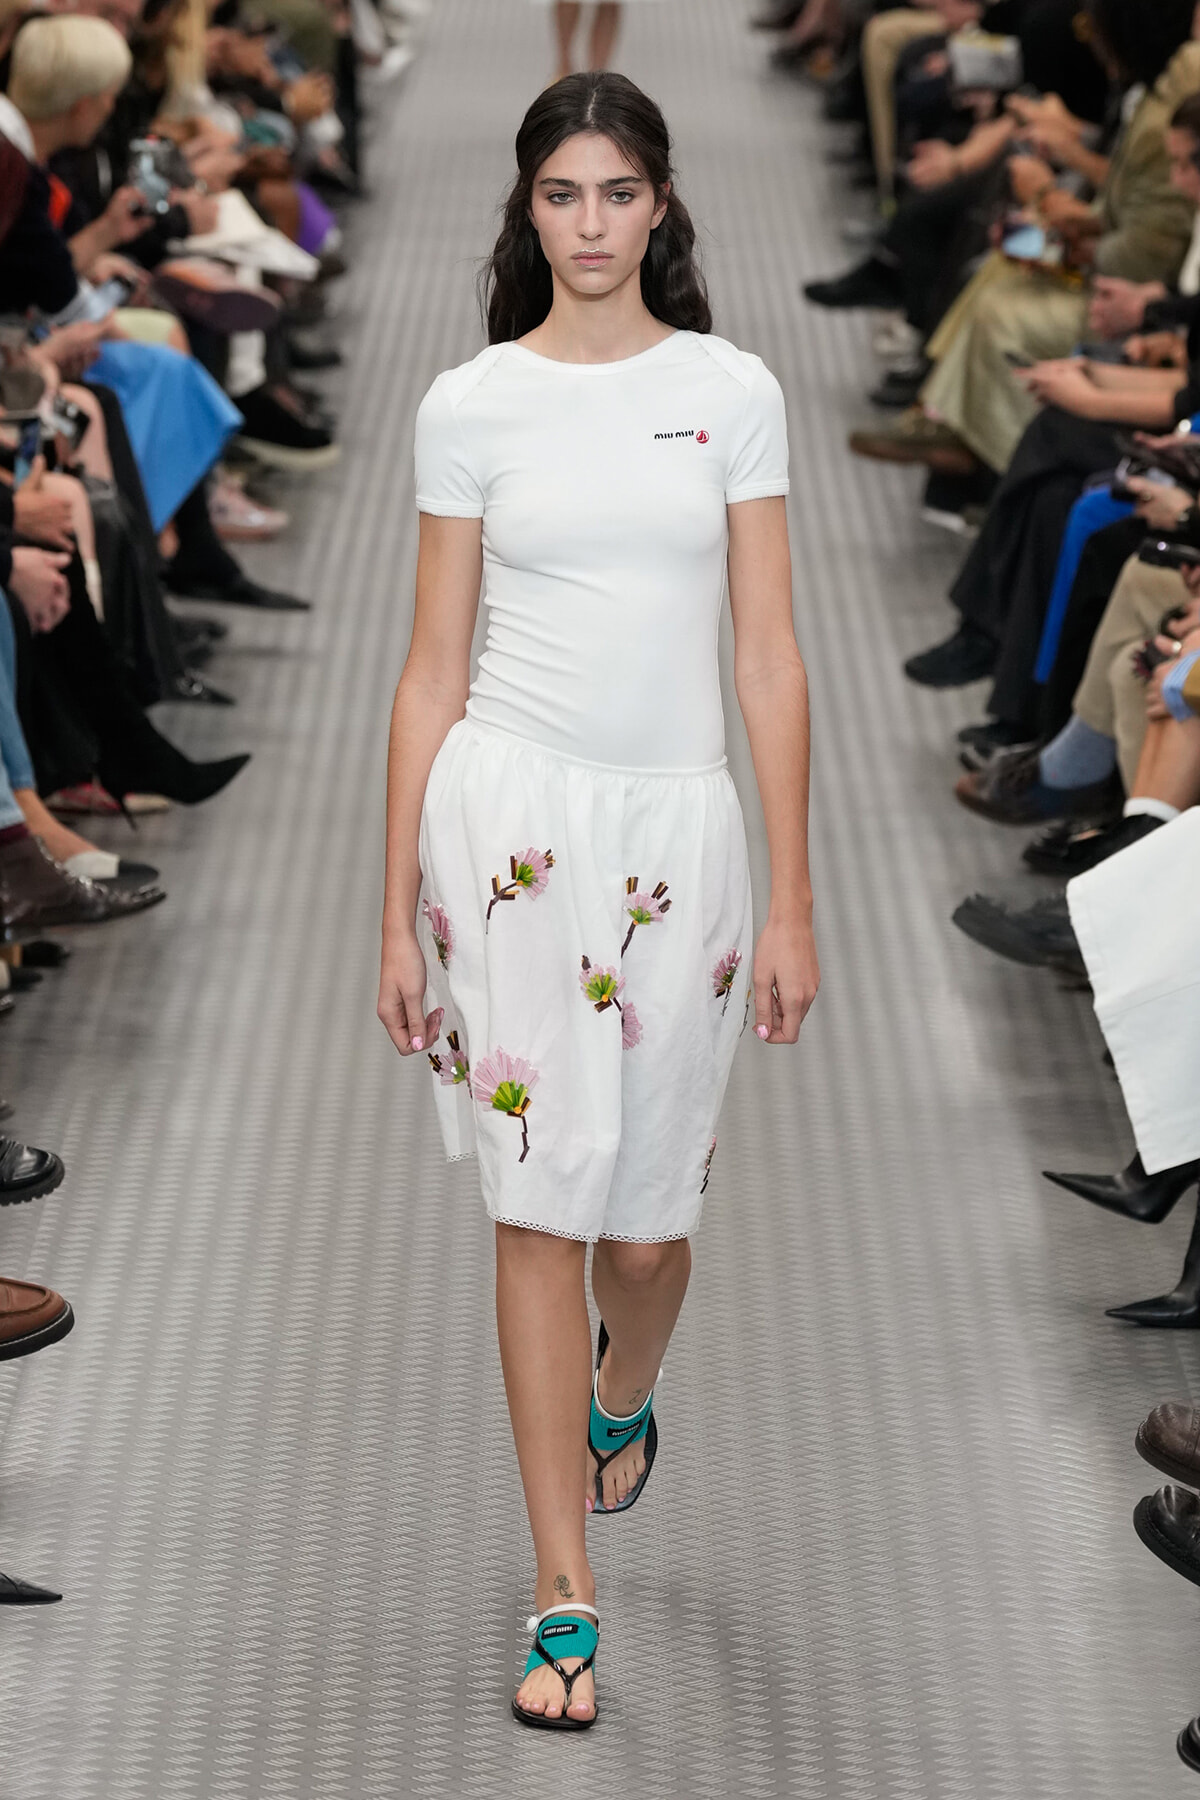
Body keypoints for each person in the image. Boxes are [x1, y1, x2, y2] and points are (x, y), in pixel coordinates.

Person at [377, 71, 819, 1730]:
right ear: (526, 208)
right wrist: (385, 907)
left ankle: (627, 1391)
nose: (587, 225)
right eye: (560, 195)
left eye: (616, 194)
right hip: (503, 838)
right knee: (534, 1211)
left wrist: (790, 901)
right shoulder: (472, 404)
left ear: (660, 207)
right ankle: (565, 1587)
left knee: (645, 1233)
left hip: (677, 848)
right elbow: (430, 671)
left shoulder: (731, 391)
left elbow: (767, 657)